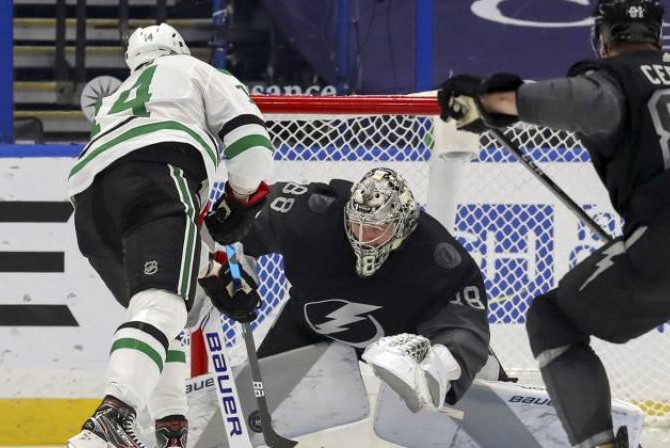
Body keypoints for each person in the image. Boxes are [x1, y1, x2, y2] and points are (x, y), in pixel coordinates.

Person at [437, 1, 670, 447]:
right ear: (657, 35)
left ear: (603, 37)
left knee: (553, 318)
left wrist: (491, 100)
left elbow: (581, 102)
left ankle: (597, 443)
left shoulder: (618, 78)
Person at [66, 23, 273, 448]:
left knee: (168, 312)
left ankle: (171, 432)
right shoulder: (196, 70)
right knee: (162, 304)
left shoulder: (114, 100)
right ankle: (113, 417)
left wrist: (213, 266)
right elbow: (252, 144)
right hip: (157, 173)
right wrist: (238, 199)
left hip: (89, 200)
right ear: (178, 47)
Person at [200, 167, 506, 414]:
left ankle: (475, 375)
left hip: (406, 344)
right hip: (308, 327)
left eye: (375, 229)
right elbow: (236, 240)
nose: (362, 236)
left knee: (459, 362)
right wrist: (236, 276)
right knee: (252, 408)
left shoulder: (436, 254)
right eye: (357, 223)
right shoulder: (307, 214)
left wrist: (440, 362)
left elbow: (465, 322)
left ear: (400, 224)